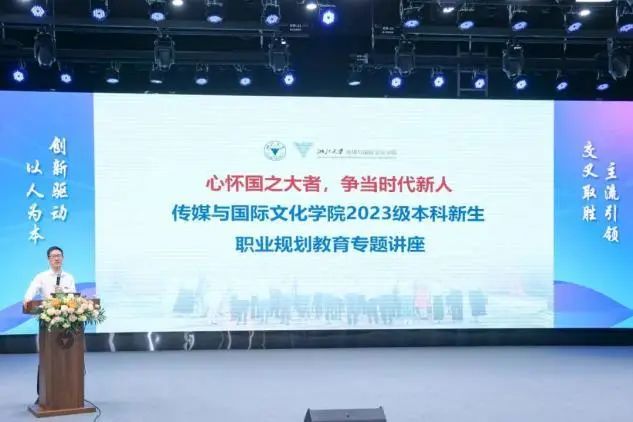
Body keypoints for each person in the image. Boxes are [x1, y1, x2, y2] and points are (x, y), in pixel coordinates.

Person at [23, 246, 76, 405]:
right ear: (48, 259)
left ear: (63, 258)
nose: (57, 258)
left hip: (67, 323)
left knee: (67, 358)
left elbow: (74, 297)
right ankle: (43, 394)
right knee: (47, 359)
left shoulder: (69, 277)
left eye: (59, 255)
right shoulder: (42, 276)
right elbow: (31, 291)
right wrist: (27, 299)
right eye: (53, 256)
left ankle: (68, 393)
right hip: (48, 324)